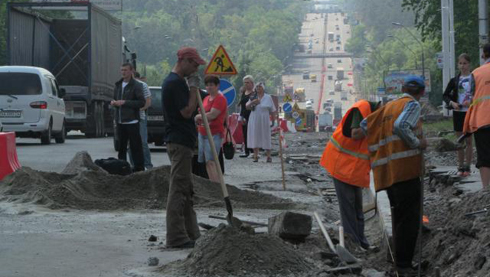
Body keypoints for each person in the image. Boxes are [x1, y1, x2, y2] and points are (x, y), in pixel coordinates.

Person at [360, 76, 427, 275]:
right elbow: (401, 126)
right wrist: (417, 143)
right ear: (421, 92)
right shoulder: (412, 105)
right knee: (409, 220)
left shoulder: (388, 106)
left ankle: (400, 262)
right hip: (406, 171)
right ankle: (405, 265)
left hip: (388, 173)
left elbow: (365, 125)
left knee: (399, 218)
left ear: (403, 88)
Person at [319, 99, 381, 250]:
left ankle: (362, 243)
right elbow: (355, 134)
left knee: (357, 208)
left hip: (353, 169)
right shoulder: (362, 109)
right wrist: (373, 123)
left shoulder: (370, 112)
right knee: (348, 209)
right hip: (341, 166)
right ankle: (353, 244)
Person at [161, 47, 206, 248]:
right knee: (179, 189)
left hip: (182, 142)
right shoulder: (175, 83)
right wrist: (194, 89)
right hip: (179, 142)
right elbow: (187, 111)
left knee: (186, 190)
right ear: (185, 61)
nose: (196, 69)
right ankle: (176, 237)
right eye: (195, 65)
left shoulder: (176, 82)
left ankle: (192, 233)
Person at [463, 43, 490, 189]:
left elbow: (472, 98)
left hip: (482, 120)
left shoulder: (476, 73)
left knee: (484, 155)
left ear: (483, 55)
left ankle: (486, 190)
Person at [111, 63, 145, 172]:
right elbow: (115, 100)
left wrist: (125, 102)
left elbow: (141, 102)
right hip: (120, 122)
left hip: (132, 121)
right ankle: (122, 169)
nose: (123, 72)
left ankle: (139, 169)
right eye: (121, 70)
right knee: (121, 148)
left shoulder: (137, 85)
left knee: (136, 147)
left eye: (125, 70)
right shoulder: (118, 85)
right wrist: (114, 103)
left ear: (131, 71)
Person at [443, 53, 473, 176]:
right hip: (458, 112)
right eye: (460, 63)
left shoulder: (474, 78)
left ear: (469, 64)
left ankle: (468, 166)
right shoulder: (454, 80)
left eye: (465, 63)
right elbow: (445, 95)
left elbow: (479, 93)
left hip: (470, 112)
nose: (463, 66)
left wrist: (471, 101)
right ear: (457, 65)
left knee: (469, 140)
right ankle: (460, 165)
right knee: (459, 140)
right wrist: (452, 103)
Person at [194, 75, 227, 183]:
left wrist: (198, 117)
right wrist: (200, 117)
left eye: (211, 85)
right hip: (202, 132)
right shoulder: (206, 98)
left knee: (211, 161)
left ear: (217, 86)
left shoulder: (220, 98)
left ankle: (216, 185)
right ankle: (212, 183)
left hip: (214, 133)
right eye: (207, 85)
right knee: (204, 161)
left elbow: (212, 115)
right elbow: (201, 111)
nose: (209, 87)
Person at [128, 71, 153, 170]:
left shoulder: (143, 85)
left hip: (140, 118)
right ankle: (133, 166)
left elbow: (148, 101)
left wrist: (140, 109)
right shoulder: (126, 86)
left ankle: (148, 166)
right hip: (129, 119)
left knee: (143, 142)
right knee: (131, 144)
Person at [246, 82, 276, 163]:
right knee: (255, 135)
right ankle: (256, 156)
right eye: (257, 87)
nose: (258, 88)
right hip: (254, 118)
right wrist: (253, 102)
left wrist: (273, 121)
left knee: (266, 135)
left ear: (263, 88)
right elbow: (247, 107)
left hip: (264, 118)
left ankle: (268, 156)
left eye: (260, 87)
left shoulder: (268, 97)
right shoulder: (253, 97)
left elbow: (273, 110)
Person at [238, 75, 254, 157]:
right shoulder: (244, 93)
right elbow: (242, 106)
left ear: (252, 83)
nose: (246, 84)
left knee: (252, 133)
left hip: (252, 115)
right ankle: (247, 151)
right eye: (245, 83)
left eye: (248, 82)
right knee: (245, 133)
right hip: (244, 115)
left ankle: (253, 151)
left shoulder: (254, 93)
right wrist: (241, 117)